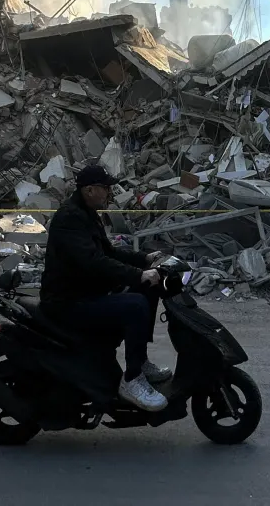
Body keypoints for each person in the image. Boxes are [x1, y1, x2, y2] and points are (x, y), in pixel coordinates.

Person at [41, 164, 172, 411]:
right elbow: (93, 261)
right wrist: (138, 274)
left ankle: (140, 361)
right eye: (105, 188)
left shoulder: (88, 213)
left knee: (149, 289)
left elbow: (108, 252)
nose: (109, 192)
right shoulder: (69, 218)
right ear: (89, 190)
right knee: (135, 305)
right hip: (69, 302)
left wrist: (144, 258)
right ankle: (132, 379)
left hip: (87, 292)